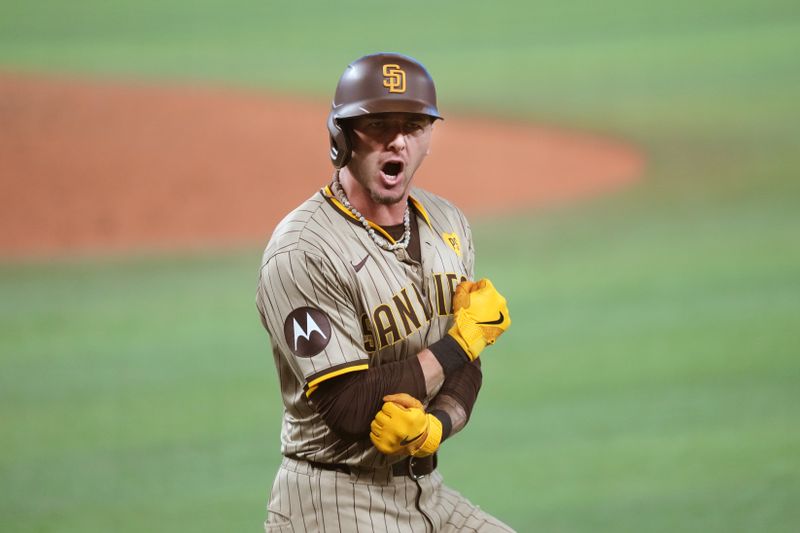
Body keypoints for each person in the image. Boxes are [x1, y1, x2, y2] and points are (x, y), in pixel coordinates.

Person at [256, 52, 514, 532]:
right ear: (342, 137)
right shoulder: (303, 250)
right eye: (377, 124)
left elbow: (466, 370)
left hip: (423, 493)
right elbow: (350, 406)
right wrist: (459, 344)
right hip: (330, 501)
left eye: (413, 125)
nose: (397, 139)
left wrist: (435, 429)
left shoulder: (448, 224)